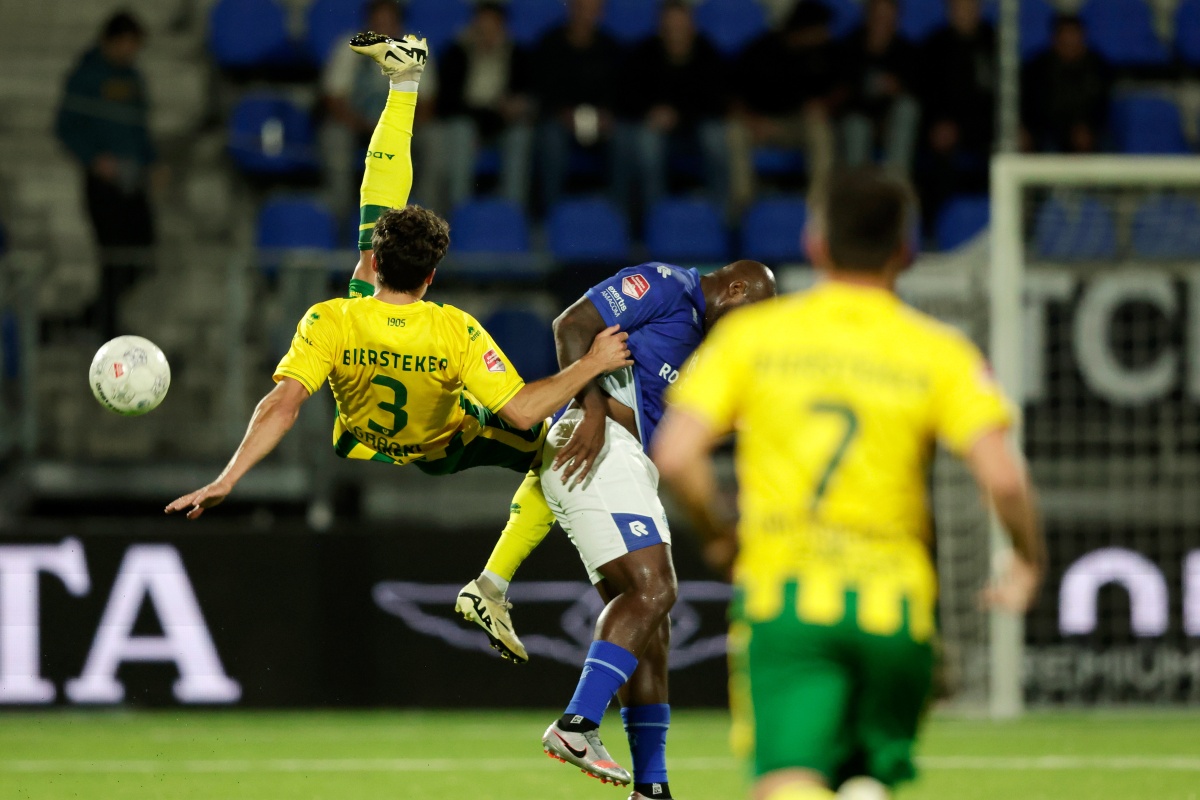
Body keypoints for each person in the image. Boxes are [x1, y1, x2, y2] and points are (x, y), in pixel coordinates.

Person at [651, 168, 1046, 800]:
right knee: (862, 777)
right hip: (898, 607)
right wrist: (1026, 561)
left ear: (816, 245)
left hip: (786, 598)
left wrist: (721, 535)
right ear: (906, 251)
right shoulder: (938, 349)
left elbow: (675, 455)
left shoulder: (754, 338)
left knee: (787, 780)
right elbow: (1002, 475)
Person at [166, 33, 632, 520]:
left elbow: (280, 407)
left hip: (360, 437)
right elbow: (521, 410)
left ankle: (405, 79)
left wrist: (227, 479)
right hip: (444, 447)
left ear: (383, 264)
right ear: (431, 276)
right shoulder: (456, 330)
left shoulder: (331, 318)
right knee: (556, 446)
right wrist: (593, 361)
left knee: (369, 245)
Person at [457, 259, 776, 797]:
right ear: (736, 288)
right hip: (593, 444)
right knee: (654, 588)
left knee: (652, 627)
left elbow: (681, 421)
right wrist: (594, 411)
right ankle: (576, 724)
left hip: (630, 466)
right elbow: (571, 326)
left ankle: (652, 787)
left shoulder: (707, 347)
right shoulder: (667, 285)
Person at [55, 11, 160, 340]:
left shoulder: (133, 79)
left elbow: (140, 129)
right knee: (113, 255)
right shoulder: (87, 76)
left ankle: (93, 316)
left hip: (133, 182)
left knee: (143, 252)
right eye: (127, 44)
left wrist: (152, 162)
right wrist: (94, 159)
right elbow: (65, 126)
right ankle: (105, 326)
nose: (130, 52)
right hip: (104, 184)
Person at [320, 0, 441, 216]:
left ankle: (426, 218)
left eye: (389, 23)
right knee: (334, 137)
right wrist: (362, 124)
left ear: (399, 25)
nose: (383, 29)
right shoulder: (348, 48)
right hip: (356, 127)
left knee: (434, 140)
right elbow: (333, 99)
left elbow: (427, 104)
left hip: (401, 130)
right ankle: (339, 220)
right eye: (377, 24)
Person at [613, 0, 730, 215]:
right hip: (656, 128)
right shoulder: (643, 54)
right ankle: (656, 217)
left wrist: (679, 116)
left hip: (695, 129)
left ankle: (719, 216)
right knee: (647, 142)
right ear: (660, 27)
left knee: (716, 137)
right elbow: (626, 97)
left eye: (681, 25)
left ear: (692, 26)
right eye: (670, 25)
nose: (676, 31)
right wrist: (652, 113)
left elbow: (716, 101)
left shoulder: (708, 54)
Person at [728, 2, 847, 212]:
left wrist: (824, 105)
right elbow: (732, 97)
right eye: (819, 30)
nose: (824, 35)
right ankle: (744, 208)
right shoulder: (760, 50)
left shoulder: (826, 52)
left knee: (821, 130)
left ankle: (818, 205)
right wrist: (753, 121)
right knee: (734, 133)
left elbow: (843, 88)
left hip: (798, 125)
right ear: (804, 30)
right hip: (762, 123)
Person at [437, 2, 535, 210]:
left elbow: (527, 97)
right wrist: (486, 114)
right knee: (461, 131)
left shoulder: (518, 54)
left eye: (493, 26)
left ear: (503, 27)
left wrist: (518, 106)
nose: (487, 32)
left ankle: (512, 210)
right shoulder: (457, 53)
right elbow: (446, 103)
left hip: (503, 126)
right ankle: (459, 210)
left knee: (521, 135)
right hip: (468, 124)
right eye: (482, 26)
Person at [530, 0, 623, 211]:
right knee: (551, 138)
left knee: (624, 138)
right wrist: (562, 113)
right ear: (571, 8)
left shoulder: (612, 47)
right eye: (581, 7)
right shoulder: (549, 43)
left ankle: (619, 214)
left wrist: (607, 115)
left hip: (603, 123)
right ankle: (552, 213)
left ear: (600, 12)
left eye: (592, 9)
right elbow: (541, 90)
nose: (585, 14)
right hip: (560, 120)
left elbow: (621, 92)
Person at [916, 0, 996, 224]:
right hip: (943, 127)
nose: (965, 12)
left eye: (971, 6)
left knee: (1006, 149)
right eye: (959, 6)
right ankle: (938, 227)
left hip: (986, 126)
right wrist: (936, 124)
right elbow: (924, 94)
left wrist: (1017, 127)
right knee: (941, 155)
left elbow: (1008, 92)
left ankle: (1001, 225)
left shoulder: (993, 41)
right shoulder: (935, 44)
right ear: (949, 11)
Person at [840, 0, 919, 177]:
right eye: (878, 16)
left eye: (888, 17)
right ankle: (859, 193)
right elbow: (842, 96)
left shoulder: (907, 53)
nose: (882, 22)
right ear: (867, 17)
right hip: (857, 120)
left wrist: (898, 89)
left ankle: (896, 184)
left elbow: (919, 94)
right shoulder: (848, 49)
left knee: (907, 108)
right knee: (856, 127)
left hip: (893, 124)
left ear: (896, 20)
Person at [1020, 14, 1111, 154]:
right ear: (1054, 39)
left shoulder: (1097, 67)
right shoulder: (1036, 68)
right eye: (1065, 38)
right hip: (1046, 131)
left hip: (1088, 130)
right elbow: (1027, 106)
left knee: (1106, 143)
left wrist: (1089, 128)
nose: (1069, 42)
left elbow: (1103, 107)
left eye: (1073, 36)